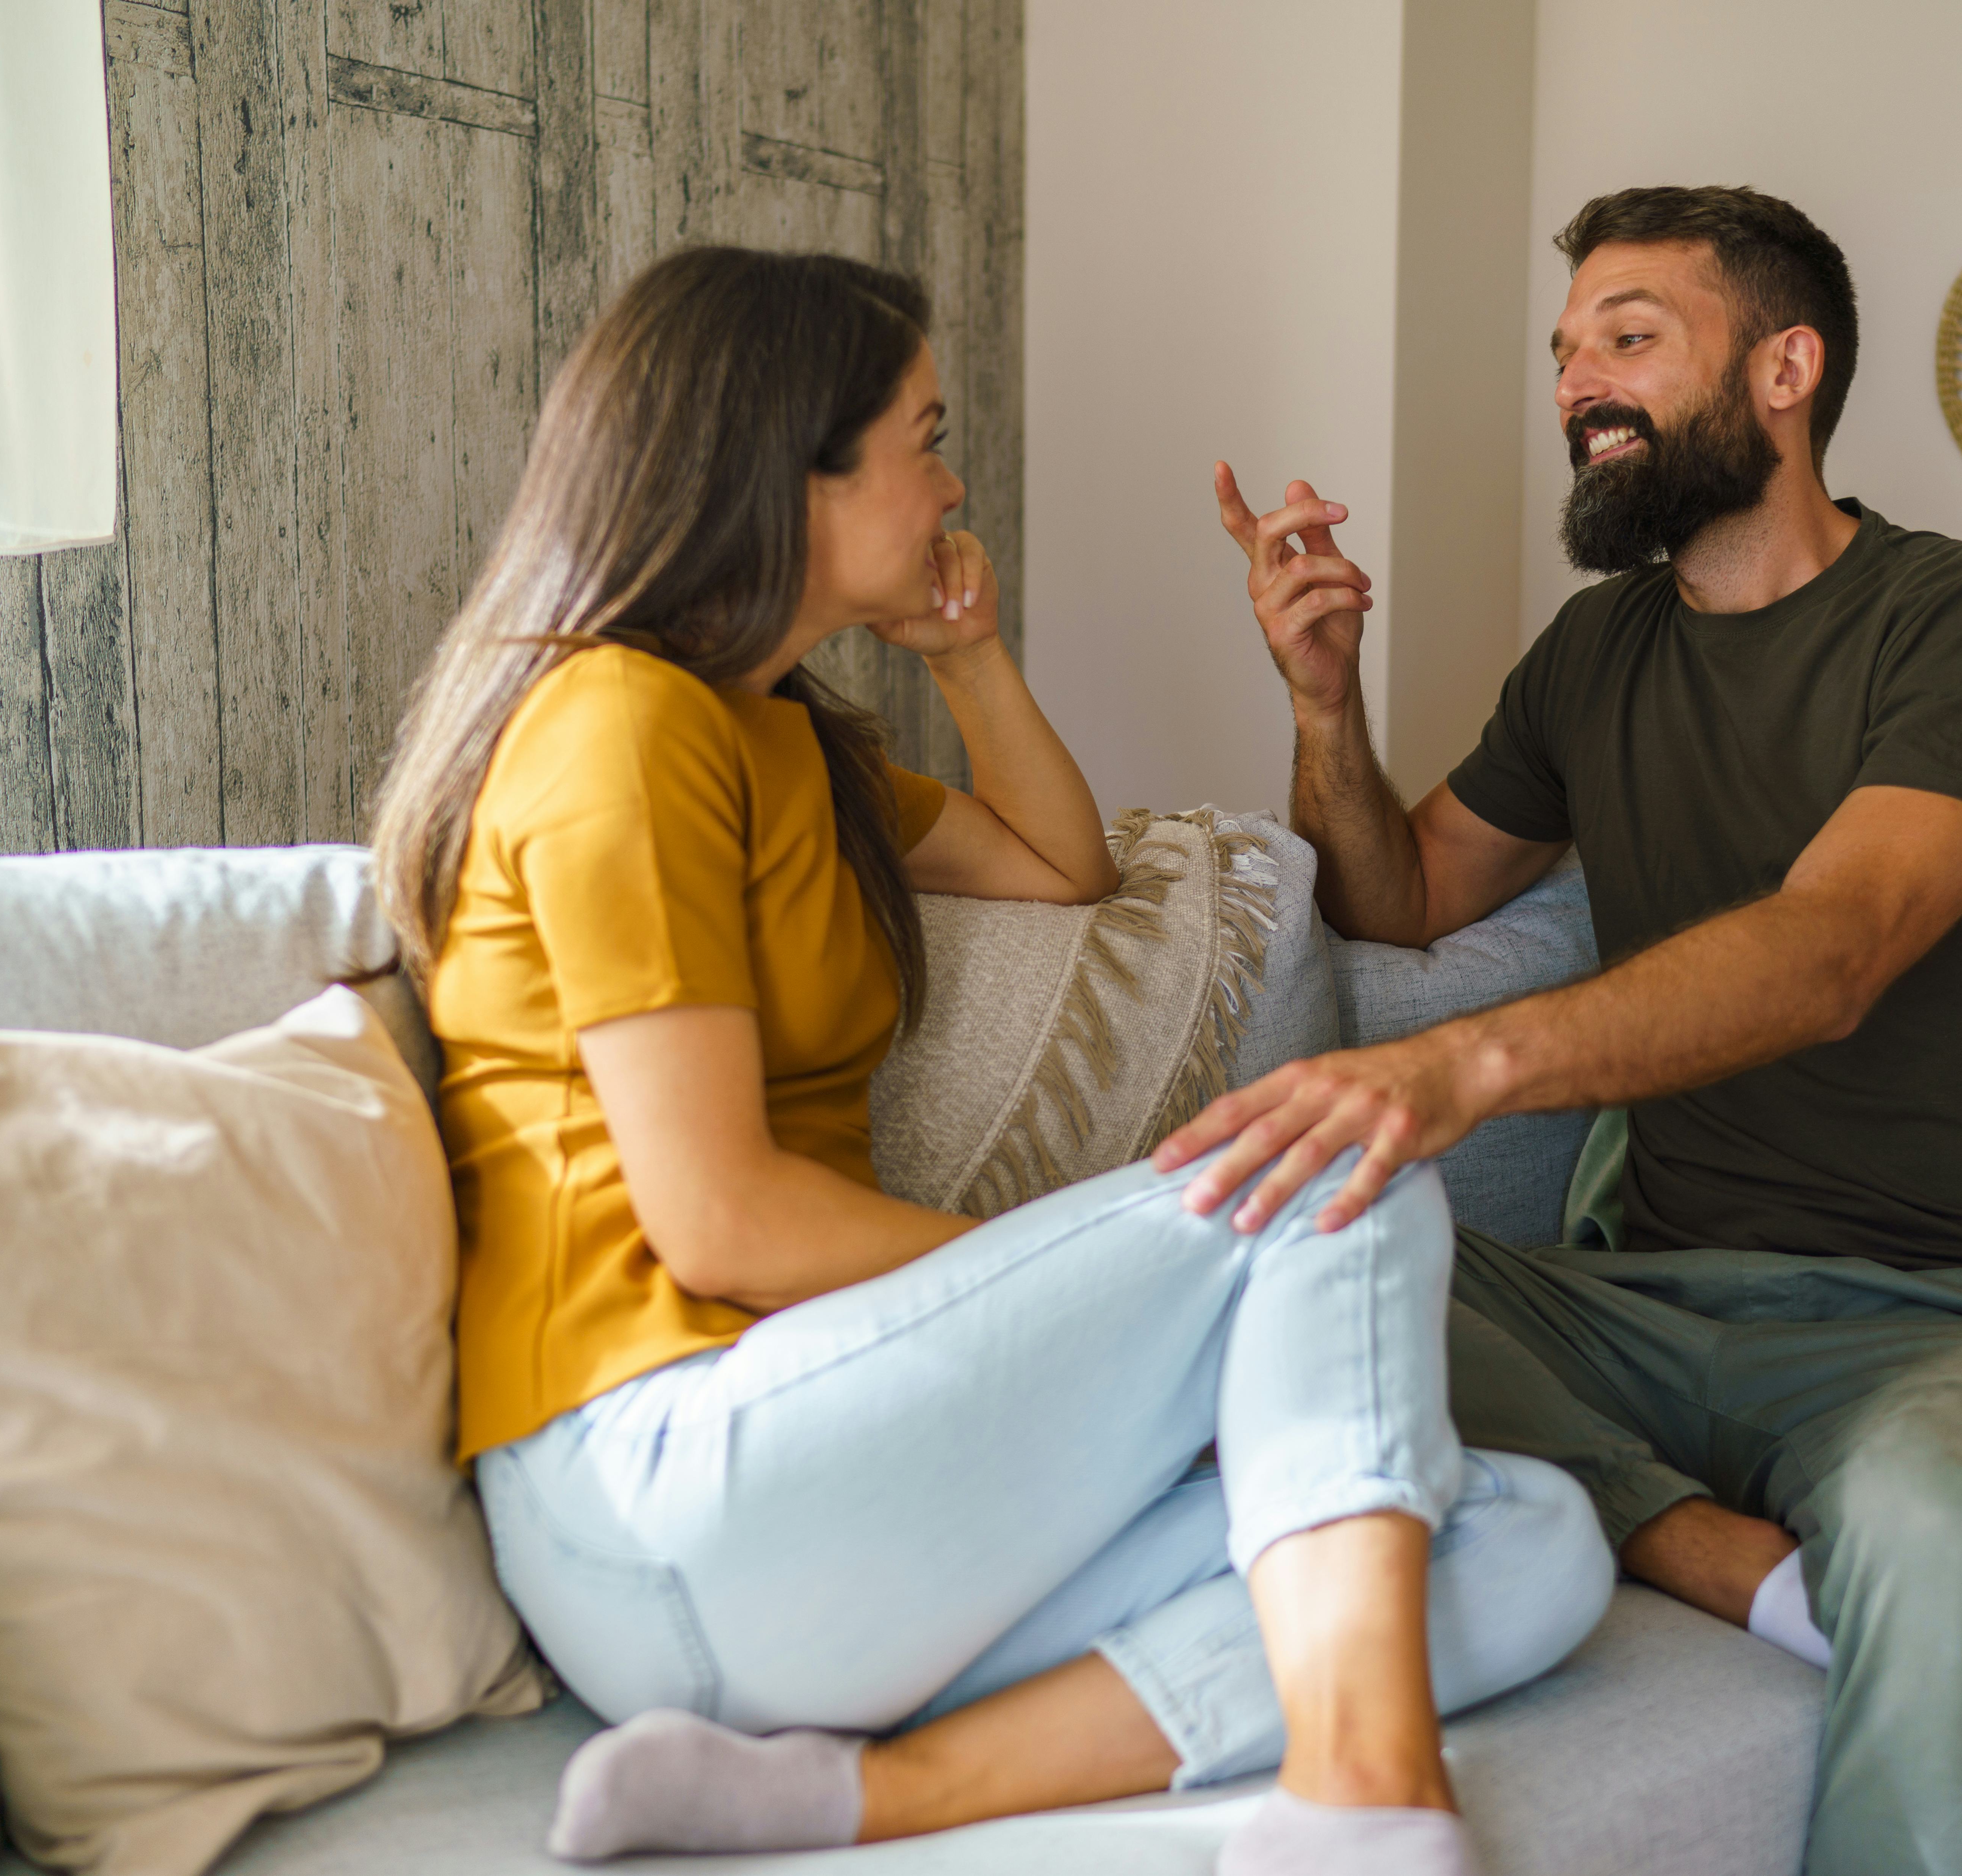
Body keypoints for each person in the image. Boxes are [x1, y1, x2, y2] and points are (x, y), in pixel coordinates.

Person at [367, 247, 1612, 1875]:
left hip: (846, 1508)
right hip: (664, 1476)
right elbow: (721, 1221)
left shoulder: (781, 736)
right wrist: (1137, 1342)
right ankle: (1366, 1804)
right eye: (924, 437)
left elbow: (1058, 865)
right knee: (1340, 1160)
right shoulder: (620, 723)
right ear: (783, 468)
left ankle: (866, 1794)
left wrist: (965, 657)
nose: (954, 481)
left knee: (1528, 1545)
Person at [1164, 186, 1962, 1876]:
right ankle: (1709, 1546)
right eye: (1566, 355)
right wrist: (1323, 699)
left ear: (1787, 368)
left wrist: (1467, 1064)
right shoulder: (1593, 650)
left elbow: (1833, 945)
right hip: (1641, 1301)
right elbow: (1399, 894)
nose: (1577, 386)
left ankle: (1702, 1531)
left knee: (1942, 1534)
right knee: (1253, 1245)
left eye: (1630, 338)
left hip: (1932, 1322)